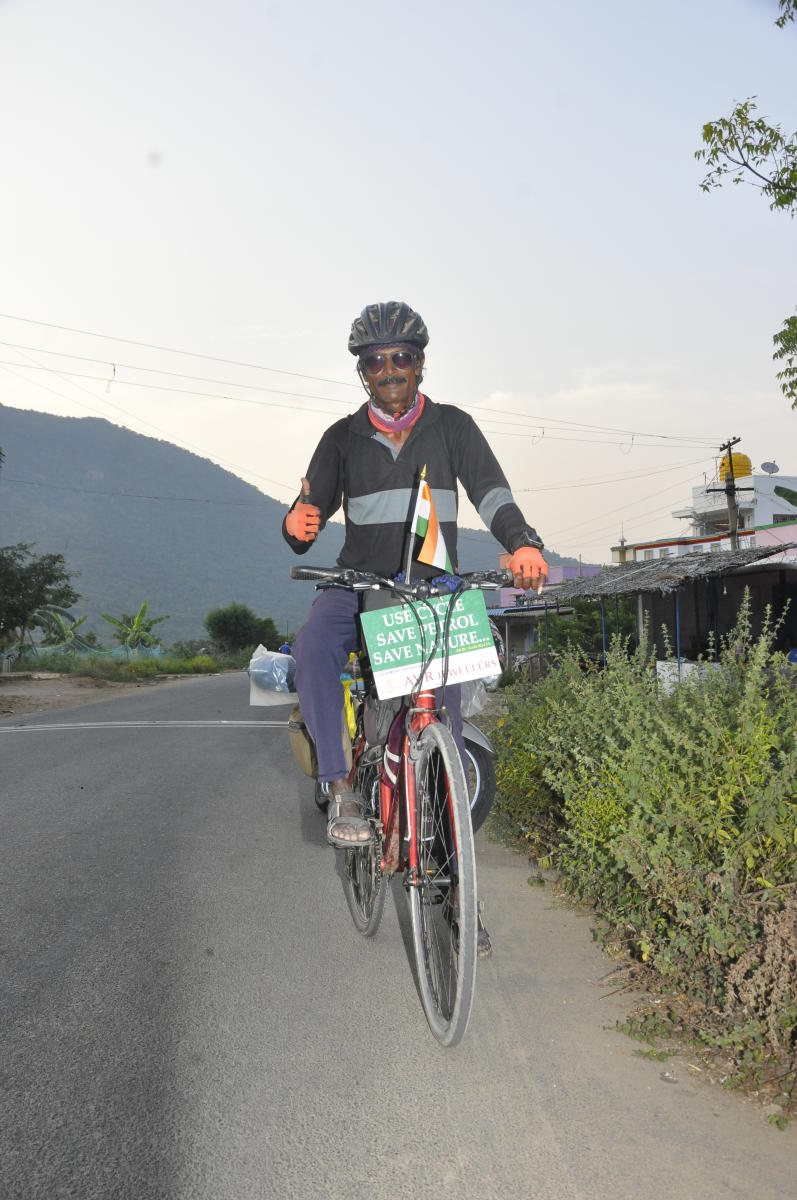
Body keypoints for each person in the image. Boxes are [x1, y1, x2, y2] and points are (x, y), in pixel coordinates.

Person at [283, 301, 547, 849]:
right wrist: (296, 524)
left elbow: (493, 496)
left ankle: (458, 904)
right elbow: (307, 511)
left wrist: (523, 544)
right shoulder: (341, 436)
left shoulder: (453, 427)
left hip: (433, 592)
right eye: (375, 361)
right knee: (312, 645)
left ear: (421, 363)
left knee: (442, 726)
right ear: (363, 372)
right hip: (356, 585)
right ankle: (340, 787)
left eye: (401, 356)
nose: (389, 370)